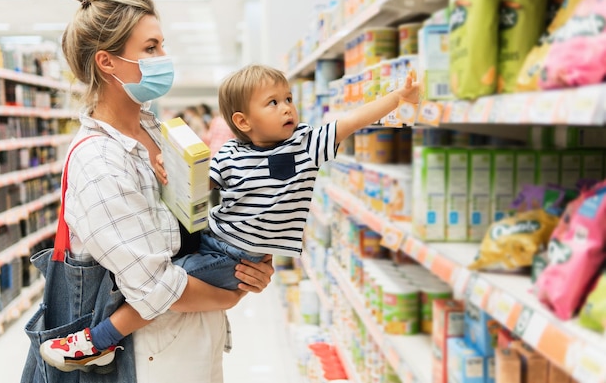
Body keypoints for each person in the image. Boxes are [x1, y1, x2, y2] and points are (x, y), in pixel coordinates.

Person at [41, 60, 419, 372]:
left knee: (159, 291)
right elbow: (198, 186)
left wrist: (397, 98)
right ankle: (101, 338)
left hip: (237, 257)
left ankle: (98, 341)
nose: (287, 107)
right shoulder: (231, 155)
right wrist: (166, 167)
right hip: (212, 238)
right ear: (242, 121)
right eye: (272, 103)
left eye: (288, 98)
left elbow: (351, 122)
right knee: (158, 286)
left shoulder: (306, 145)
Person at [35, 0, 274, 382]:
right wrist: (230, 294)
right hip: (148, 362)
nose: (164, 56)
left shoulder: (155, 132)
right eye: (151, 47)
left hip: (192, 344)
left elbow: (191, 229)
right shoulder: (100, 161)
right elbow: (155, 287)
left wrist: (247, 261)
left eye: (162, 44)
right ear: (107, 62)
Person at [202, 107, 235, 206]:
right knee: (229, 184)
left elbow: (208, 137)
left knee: (214, 183)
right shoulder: (232, 122)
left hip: (214, 155)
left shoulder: (215, 120)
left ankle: (215, 207)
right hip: (228, 156)